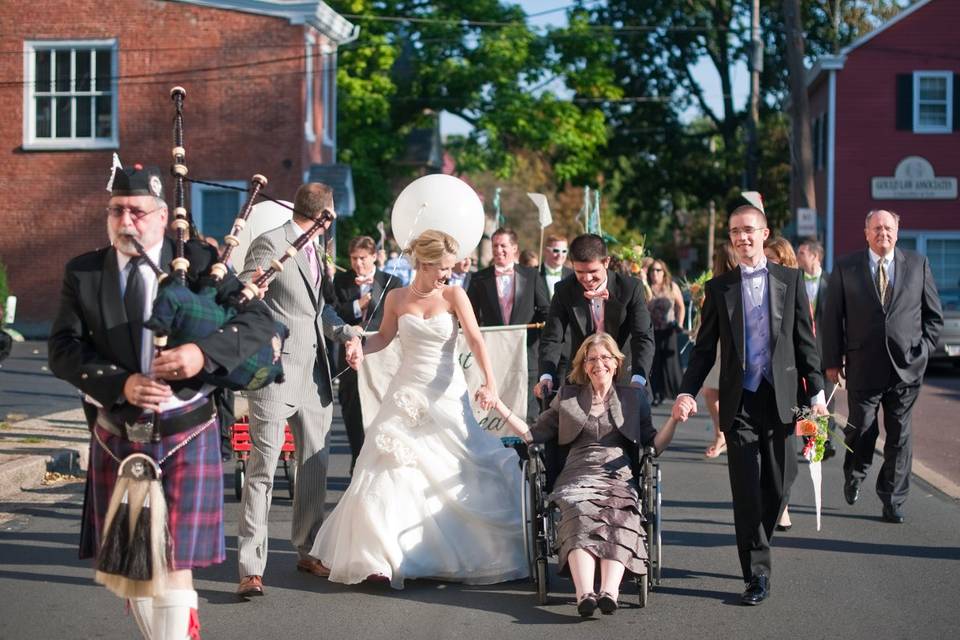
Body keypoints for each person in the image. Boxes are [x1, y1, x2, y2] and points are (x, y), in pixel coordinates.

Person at [48, 165, 277, 639]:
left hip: (185, 430)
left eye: (136, 211)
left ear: (160, 216)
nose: (125, 220)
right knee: (133, 574)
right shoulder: (85, 272)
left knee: (173, 566)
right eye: (116, 210)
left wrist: (200, 353)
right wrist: (122, 384)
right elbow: (64, 350)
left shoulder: (198, 261)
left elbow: (258, 322)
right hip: (118, 436)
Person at [309, 229, 527, 588]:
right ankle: (380, 557)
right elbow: (383, 337)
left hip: (446, 394)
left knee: (456, 469)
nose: (448, 273)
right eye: (443, 267)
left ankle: (435, 551)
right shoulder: (396, 298)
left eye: (450, 267)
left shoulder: (455, 294)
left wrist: (489, 381)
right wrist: (360, 348)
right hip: (406, 392)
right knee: (389, 469)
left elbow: (474, 338)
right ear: (424, 263)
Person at [671, 201, 826, 605]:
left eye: (748, 230)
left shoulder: (790, 281)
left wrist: (819, 395)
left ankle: (759, 538)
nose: (741, 237)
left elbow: (805, 343)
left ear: (764, 233)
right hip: (739, 401)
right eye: (735, 231)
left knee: (778, 482)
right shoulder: (719, 289)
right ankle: (757, 573)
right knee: (745, 490)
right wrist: (687, 390)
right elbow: (703, 351)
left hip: (781, 399)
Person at [236, 183, 364, 598]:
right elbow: (243, 293)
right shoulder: (270, 243)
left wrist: (344, 330)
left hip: (315, 377)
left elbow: (316, 308)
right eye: (333, 217)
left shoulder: (316, 250)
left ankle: (307, 548)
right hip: (273, 374)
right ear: (323, 215)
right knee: (262, 469)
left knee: (315, 466)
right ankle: (251, 568)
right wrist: (254, 296)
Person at [495, 332, 678, 617]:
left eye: (605, 357)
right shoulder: (567, 397)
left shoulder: (632, 398)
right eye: (591, 359)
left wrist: (675, 419)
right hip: (576, 474)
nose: (598, 364)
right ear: (583, 365)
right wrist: (499, 406)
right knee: (578, 509)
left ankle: (609, 592)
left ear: (616, 364)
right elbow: (533, 434)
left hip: (618, 475)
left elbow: (653, 446)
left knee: (622, 512)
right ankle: (585, 594)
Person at [821, 209, 943, 524]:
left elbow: (933, 317)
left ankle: (892, 499)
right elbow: (832, 317)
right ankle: (855, 472)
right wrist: (832, 360)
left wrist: (924, 350)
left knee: (900, 435)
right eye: (876, 228)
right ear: (866, 233)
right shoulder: (846, 267)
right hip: (863, 365)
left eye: (888, 228)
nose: (883, 233)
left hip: (906, 368)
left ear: (897, 232)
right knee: (861, 427)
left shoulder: (918, 265)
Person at [536, 233, 655, 403]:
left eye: (593, 271)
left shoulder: (631, 288)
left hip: (625, 377)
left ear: (606, 262)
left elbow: (643, 336)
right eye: (579, 272)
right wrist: (546, 375)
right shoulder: (564, 290)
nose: (587, 278)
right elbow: (552, 338)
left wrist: (638, 379)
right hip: (582, 377)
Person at [331, 236, 402, 471]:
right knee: (352, 406)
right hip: (351, 357)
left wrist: (368, 330)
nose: (358, 264)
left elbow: (393, 316)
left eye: (363, 258)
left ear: (373, 256)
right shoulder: (341, 281)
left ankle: (381, 460)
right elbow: (332, 311)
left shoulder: (391, 281)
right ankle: (357, 458)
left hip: (382, 356)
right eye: (353, 259)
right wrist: (357, 306)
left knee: (382, 407)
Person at [467, 227, 550, 421]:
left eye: (503, 245)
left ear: (514, 249)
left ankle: (529, 447)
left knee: (527, 407)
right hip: (493, 354)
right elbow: (470, 316)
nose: (498, 250)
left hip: (526, 352)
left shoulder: (532, 276)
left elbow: (546, 310)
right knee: (496, 404)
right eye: (495, 246)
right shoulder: (479, 278)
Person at [702, 242, 738, 458]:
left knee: (723, 392)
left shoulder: (738, 283)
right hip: (716, 344)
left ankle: (729, 434)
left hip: (729, 344)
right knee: (710, 391)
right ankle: (721, 433)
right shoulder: (713, 285)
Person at [647, 259, 686, 405]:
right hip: (652, 331)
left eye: (658, 270)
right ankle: (656, 394)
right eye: (652, 270)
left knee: (670, 363)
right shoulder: (646, 287)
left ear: (664, 272)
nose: (655, 273)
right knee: (654, 363)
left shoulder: (671, 286)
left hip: (669, 330)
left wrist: (680, 323)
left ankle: (679, 394)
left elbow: (681, 306)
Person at [540, 234, 572, 300]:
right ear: (546, 251)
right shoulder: (535, 273)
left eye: (564, 251)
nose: (560, 255)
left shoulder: (572, 275)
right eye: (556, 250)